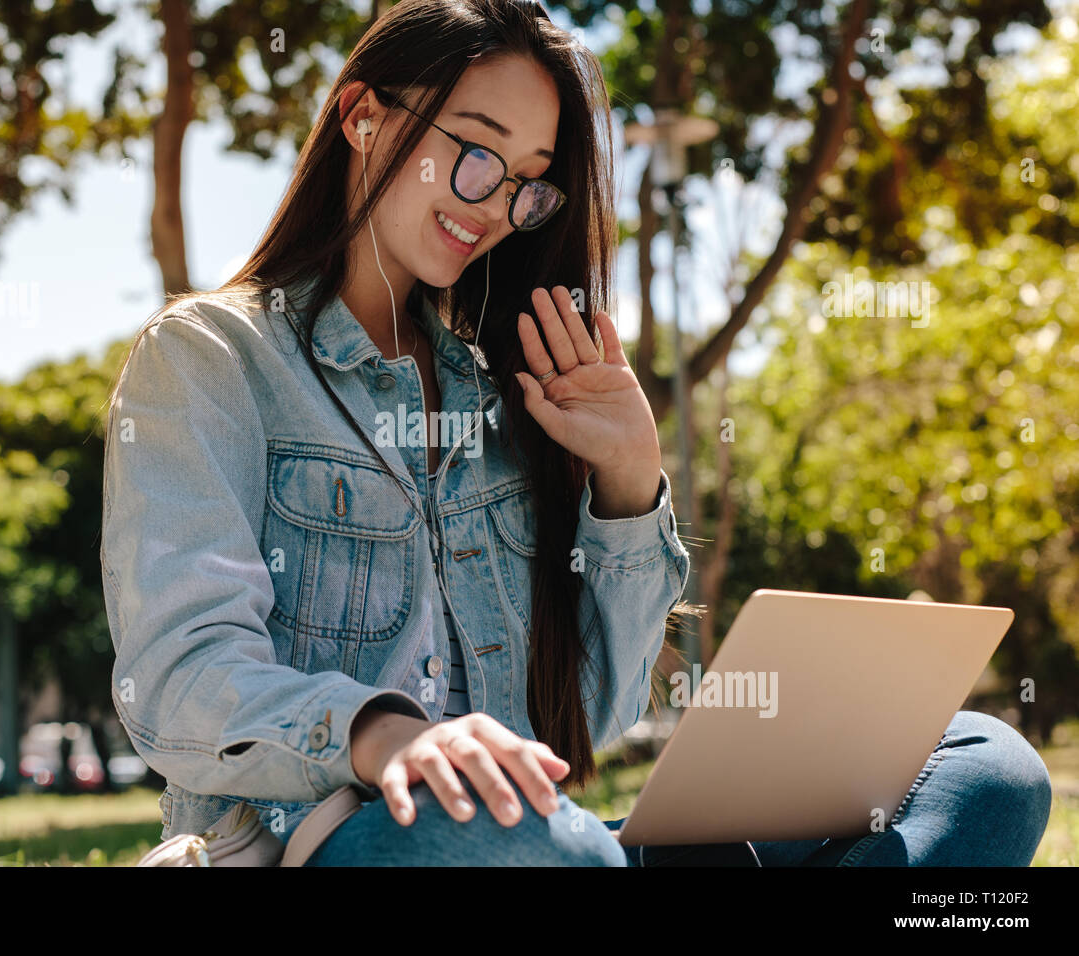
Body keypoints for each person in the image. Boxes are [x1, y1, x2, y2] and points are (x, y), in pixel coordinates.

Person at [100, 0, 1052, 866]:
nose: (494, 205)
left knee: (985, 764)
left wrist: (629, 484)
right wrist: (389, 735)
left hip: (547, 834)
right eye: (476, 150)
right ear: (363, 118)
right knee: (553, 854)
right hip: (329, 838)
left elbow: (587, 719)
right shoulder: (210, 360)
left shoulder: (511, 391)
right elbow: (178, 676)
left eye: (527, 183)